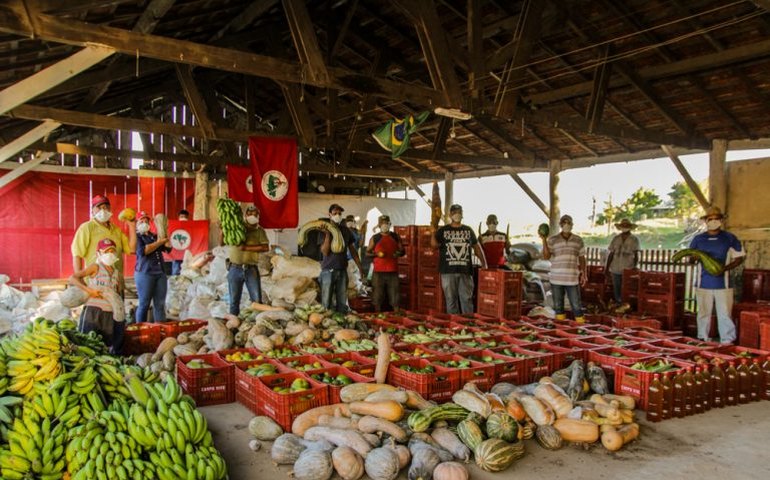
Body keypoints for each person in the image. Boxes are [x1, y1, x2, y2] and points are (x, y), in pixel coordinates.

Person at [689, 206, 745, 344]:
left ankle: (727, 341)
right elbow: (691, 259)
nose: (713, 221)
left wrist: (725, 268)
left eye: (716, 219)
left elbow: (739, 258)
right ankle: (703, 338)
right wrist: (694, 258)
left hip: (723, 283)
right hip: (703, 282)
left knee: (725, 314)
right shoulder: (698, 239)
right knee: (703, 313)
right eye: (710, 219)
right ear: (706, 221)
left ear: (721, 220)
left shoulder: (729, 238)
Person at [68, 238, 125, 354]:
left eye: (112, 251)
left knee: (103, 347)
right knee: (86, 344)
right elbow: (73, 278)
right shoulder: (96, 267)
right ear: (99, 253)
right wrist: (89, 291)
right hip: (92, 312)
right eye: (106, 251)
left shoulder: (117, 274)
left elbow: (119, 295)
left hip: (109, 314)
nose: (109, 254)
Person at [431, 204, 487, 314]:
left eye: (459, 212)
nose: (457, 214)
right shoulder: (443, 231)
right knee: (451, 299)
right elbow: (433, 246)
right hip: (447, 271)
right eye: (454, 212)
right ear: (450, 215)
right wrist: (433, 232)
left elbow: (477, 248)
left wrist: (484, 264)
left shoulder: (468, 230)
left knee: (466, 299)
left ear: (462, 214)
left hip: (465, 271)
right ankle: (455, 325)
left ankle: (468, 323)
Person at [72, 195, 136, 277]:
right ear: (92, 210)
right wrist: (79, 278)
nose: (103, 210)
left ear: (110, 209)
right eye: (99, 207)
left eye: (106, 207)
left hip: (116, 281)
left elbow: (131, 249)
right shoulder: (86, 228)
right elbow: (77, 255)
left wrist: (132, 226)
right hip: (94, 282)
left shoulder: (116, 230)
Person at [541, 214, 587, 323]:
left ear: (572, 225)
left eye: (569, 222)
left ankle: (581, 327)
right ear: (560, 224)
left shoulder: (578, 240)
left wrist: (584, 273)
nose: (566, 224)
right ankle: (560, 327)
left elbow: (582, 258)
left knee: (576, 305)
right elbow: (546, 256)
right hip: (556, 278)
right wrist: (544, 240)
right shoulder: (553, 240)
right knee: (558, 306)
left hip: (572, 278)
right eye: (564, 222)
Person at [225, 205, 269, 315]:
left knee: (257, 300)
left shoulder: (260, 231)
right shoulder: (236, 229)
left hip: (251, 269)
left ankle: (256, 325)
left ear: (258, 216)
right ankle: (233, 325)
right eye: (250, 214)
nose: (252, 216)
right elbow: (221, 243)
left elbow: (265, 247)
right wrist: (222, 230)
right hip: (234, 268)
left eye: (255, 214)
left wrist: (246, 248)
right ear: (245, 215)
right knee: (234, 301)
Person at [319, 203, 362, 313]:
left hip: (342, 270)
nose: (337, 215)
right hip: (328, 270)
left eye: (339, 213)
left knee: (342, 301)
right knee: (326, 301)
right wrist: (328, 235)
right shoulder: (323, 229)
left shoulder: (346, 230)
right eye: (335, 213)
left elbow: (353, 250)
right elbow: (325, 251)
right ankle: (325, 322)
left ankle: (341, 322)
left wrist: (360, 268)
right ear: (329, 215)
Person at [133, 211, 171, 323]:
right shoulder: (137, 237)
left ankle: (160, 330)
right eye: (141, 221)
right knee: (144, 303)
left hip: (160, 273)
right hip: (145, 273)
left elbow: (168, 249)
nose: (144, 223)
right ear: (137, 224)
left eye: (146, 221)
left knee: (159, 304)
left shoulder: (154, 236)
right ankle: (140, 330)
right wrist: (160, 242)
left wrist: (164, 233)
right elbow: (143, 251)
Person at [366, 215, 403, 312]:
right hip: (378, 272)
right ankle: (377, 316)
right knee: (377, 296)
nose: (385, 225)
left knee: (395, 296)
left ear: (390, 224)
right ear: (379, 225)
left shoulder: (395, 236)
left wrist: (398, 253)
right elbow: (367, 252)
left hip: (393, 271)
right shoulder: (375, 238)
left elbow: (403, 251)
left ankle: (396, 315)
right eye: (383, 223)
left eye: (386, 223)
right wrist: (376, 254)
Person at [605, 218, 641, 303]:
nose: (625, 227)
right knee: (616, 288)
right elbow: (611, 254)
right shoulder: (616, 238)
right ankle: (618, 303)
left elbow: (636, 254)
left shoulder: (634, 239)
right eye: (623, 226)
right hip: (615, 268)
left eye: (626, 226)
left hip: (628, 268)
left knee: (627, 288)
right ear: (620, 227)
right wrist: (607, 268)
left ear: (630, 227)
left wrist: (635, 266)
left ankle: (626, 304)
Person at [170, 209, 190, 275]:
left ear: (188, 218)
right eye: (181, 217)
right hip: (176, 253)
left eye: (185, 217)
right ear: (178, 218)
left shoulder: (192, 227)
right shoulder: (174, 226)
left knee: (188, 272)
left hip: (187, 253)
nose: (183, 218)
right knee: (176, 272)